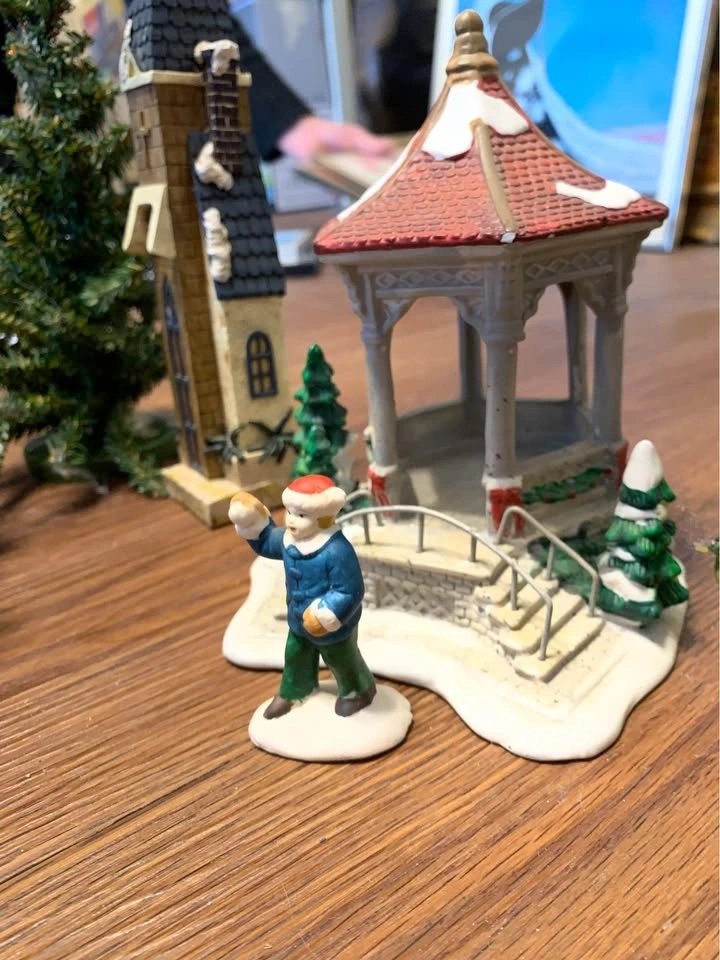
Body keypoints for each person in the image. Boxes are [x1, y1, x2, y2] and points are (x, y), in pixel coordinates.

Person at [229, 474, 376, 720]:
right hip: (298, 621)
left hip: (333, 626)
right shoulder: (289, 539)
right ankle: (295, 689)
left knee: (341, 658)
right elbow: (267, 541)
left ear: (323, 517)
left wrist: (327, 612)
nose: (291, 520)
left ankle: (358, 689)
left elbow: (350, 589)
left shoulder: (336, 550)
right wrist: (252, 521)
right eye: (289, 512)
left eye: (301, 515)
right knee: (295, 655)